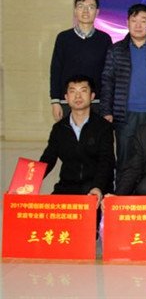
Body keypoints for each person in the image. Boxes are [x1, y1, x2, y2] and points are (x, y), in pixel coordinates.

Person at [101, 3, 146, 174]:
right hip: (124, 114)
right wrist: (106, 111)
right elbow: (107, 81)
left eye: (143, 21)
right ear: (127, 23)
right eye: (134, 21)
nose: (138, 25)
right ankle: (123, 191)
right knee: (125, 161)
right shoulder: (116, 50)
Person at [40, 75, 115, 208]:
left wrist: (98, 186)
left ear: (92, 96)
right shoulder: (59, 129)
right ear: (66, 97)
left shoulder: (103, 127)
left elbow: (106, 161)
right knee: (48, 214)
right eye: (73, 91)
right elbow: (48, 158)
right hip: (67, 186)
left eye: (83, 91)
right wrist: (27, 182)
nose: (78, 96)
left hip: (95, 187)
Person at [50, 0, 112, 121]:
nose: (85, 11)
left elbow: (109, 74)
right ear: (75, 11)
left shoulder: (104, 39)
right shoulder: (63, 38)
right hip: (68, 101)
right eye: (81, 6)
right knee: (68, 134)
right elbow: (56, 70)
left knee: (97, 134)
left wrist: (108, 106)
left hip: (97, 102)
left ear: (97, 12)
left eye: (90, 7)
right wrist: (55, 101)